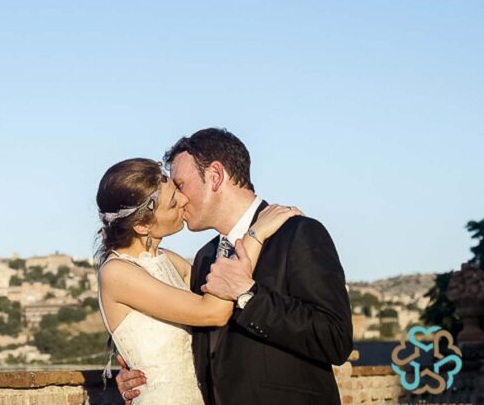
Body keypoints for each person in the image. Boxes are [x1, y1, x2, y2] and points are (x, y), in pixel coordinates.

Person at [114, 128, 353, 405]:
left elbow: (336, 340)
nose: (178, 198)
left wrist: (248, 295)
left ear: (215, 177)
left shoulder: (298, 234)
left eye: (180, 184)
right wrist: (143, 372)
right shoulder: (205, 257)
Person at [96, 157, 302, 405]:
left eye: (177, 190)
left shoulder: (170, 261)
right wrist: (255, 234)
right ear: (142, 225)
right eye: (173, 203)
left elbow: (222, 298)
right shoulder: (117, 273)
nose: (184, 200)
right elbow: (213, 311)